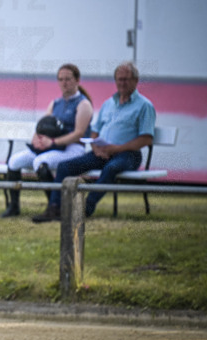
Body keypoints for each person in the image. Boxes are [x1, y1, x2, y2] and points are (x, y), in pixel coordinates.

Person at [33, 61, 156, 222]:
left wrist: (115, 149)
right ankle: (55, 208)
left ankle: (84, 209)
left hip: (128, 155)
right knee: (64, 167)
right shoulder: (109, 104)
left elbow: (146, 139)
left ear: (136, 80)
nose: (122, 83)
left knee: (111, 168)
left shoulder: (144, 106)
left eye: (126, 79)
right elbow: (94, 131)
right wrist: (95, 147)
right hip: (101, 152)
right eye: (119, 79)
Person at [1, 63, 93, 217]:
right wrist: (36, 139)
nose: (64, 83)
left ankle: (55, 207)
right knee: (14, 161)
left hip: (73, 149)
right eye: (60, 79)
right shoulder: (55, 103)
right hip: (52, 148)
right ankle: (14, 207)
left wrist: (54, 142)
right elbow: (42, 126)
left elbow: (79, 134)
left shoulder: (83, 104)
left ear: (77, 80)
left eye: (68, 79)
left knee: (40, 162)